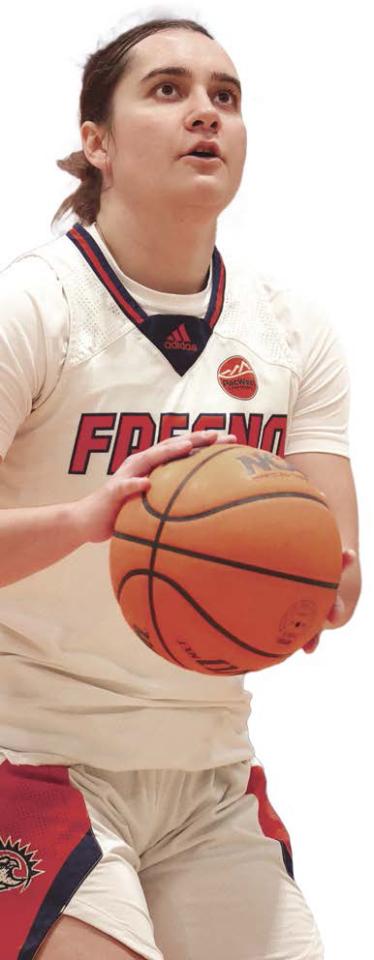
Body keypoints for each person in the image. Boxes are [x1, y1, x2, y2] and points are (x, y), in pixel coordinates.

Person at [0, 16, 361, 960]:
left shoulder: (292, 329)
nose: (205, 111)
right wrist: (87, 521)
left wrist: (308, 580)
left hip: (208, 771)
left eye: (225, 95)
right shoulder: (31, 308)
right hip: (31, 757)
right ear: (98, 144)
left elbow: (338, 576)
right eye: (167, 89)